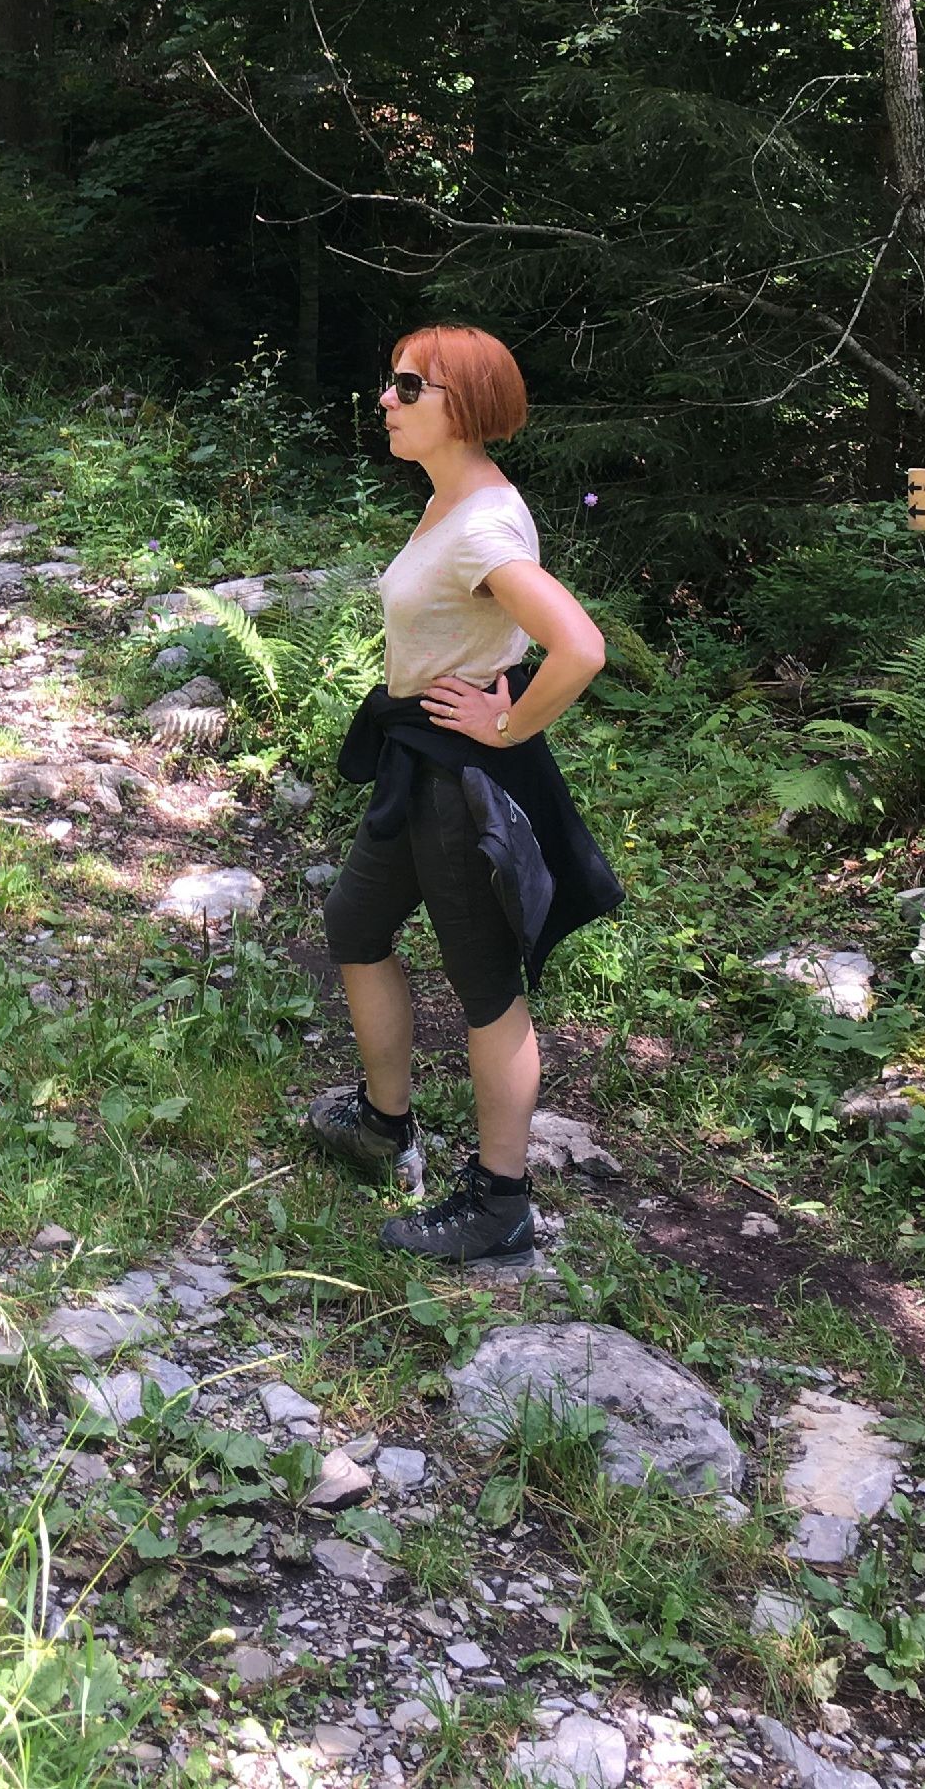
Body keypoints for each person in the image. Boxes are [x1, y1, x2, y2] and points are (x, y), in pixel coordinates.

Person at [306, 325, 617, 1264]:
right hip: (419, 760)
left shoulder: (481, 525)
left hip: (460, 783)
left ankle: (500, 1202)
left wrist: (507, 723)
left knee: (487, 989)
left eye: (410, 387)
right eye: (391, 381)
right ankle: (383, 1123)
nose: (387, 399)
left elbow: (580, 646)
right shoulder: (454, 497)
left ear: (466, 406)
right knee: (355, 923)